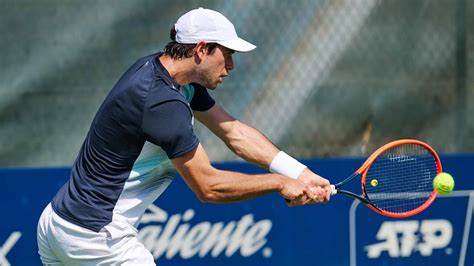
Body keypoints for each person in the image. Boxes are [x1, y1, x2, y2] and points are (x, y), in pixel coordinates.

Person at [37, 7, 331, 265]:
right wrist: (280, 184)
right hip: (97, 239)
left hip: (58, 224)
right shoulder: (162, 102)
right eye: (226, 55)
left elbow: (234, 132)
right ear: (201, 49)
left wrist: (299, 173)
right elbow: (208, 187)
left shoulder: (167, 74)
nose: (231, 66)